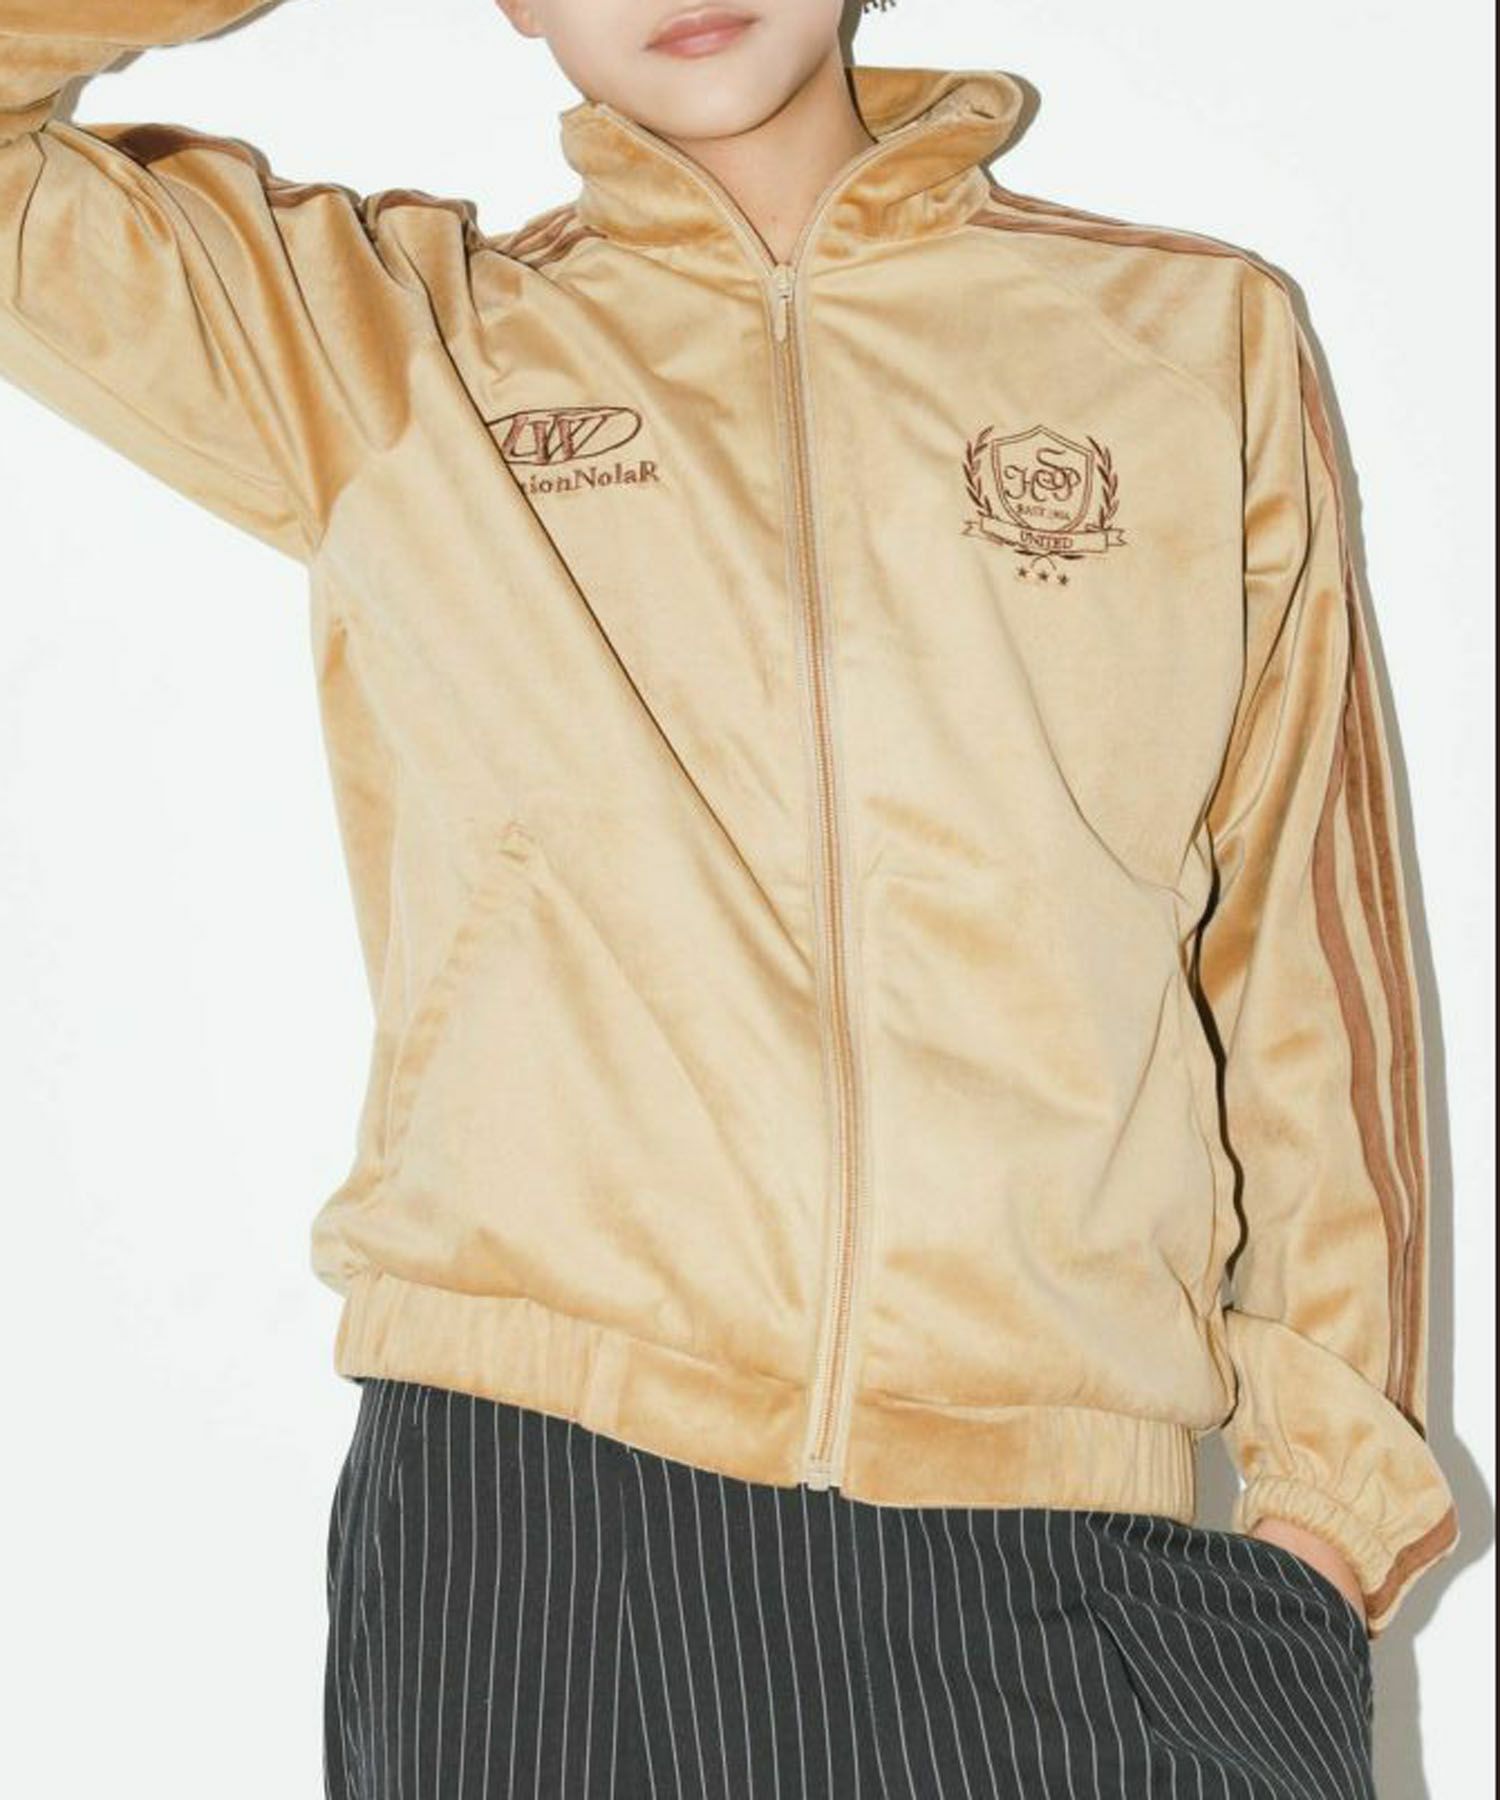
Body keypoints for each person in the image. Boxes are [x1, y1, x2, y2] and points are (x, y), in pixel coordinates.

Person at [0, 1, 1462, 1793]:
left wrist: (1319, 1537)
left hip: (1079, 1548)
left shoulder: (1185, 340)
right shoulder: (399, 346)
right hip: (543, 1535)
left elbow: (1305, 966)